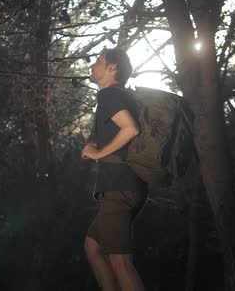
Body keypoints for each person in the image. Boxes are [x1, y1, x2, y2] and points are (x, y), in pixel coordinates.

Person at [81, 48, 148, 291]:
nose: (92, 65)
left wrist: (97, 153)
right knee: (93, 245)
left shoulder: (109, 95)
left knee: (121, 262)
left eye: (98, 61)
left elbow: (130, 129)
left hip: (119, 188)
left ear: (112, 68)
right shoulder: (120, 96)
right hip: (126, 186)